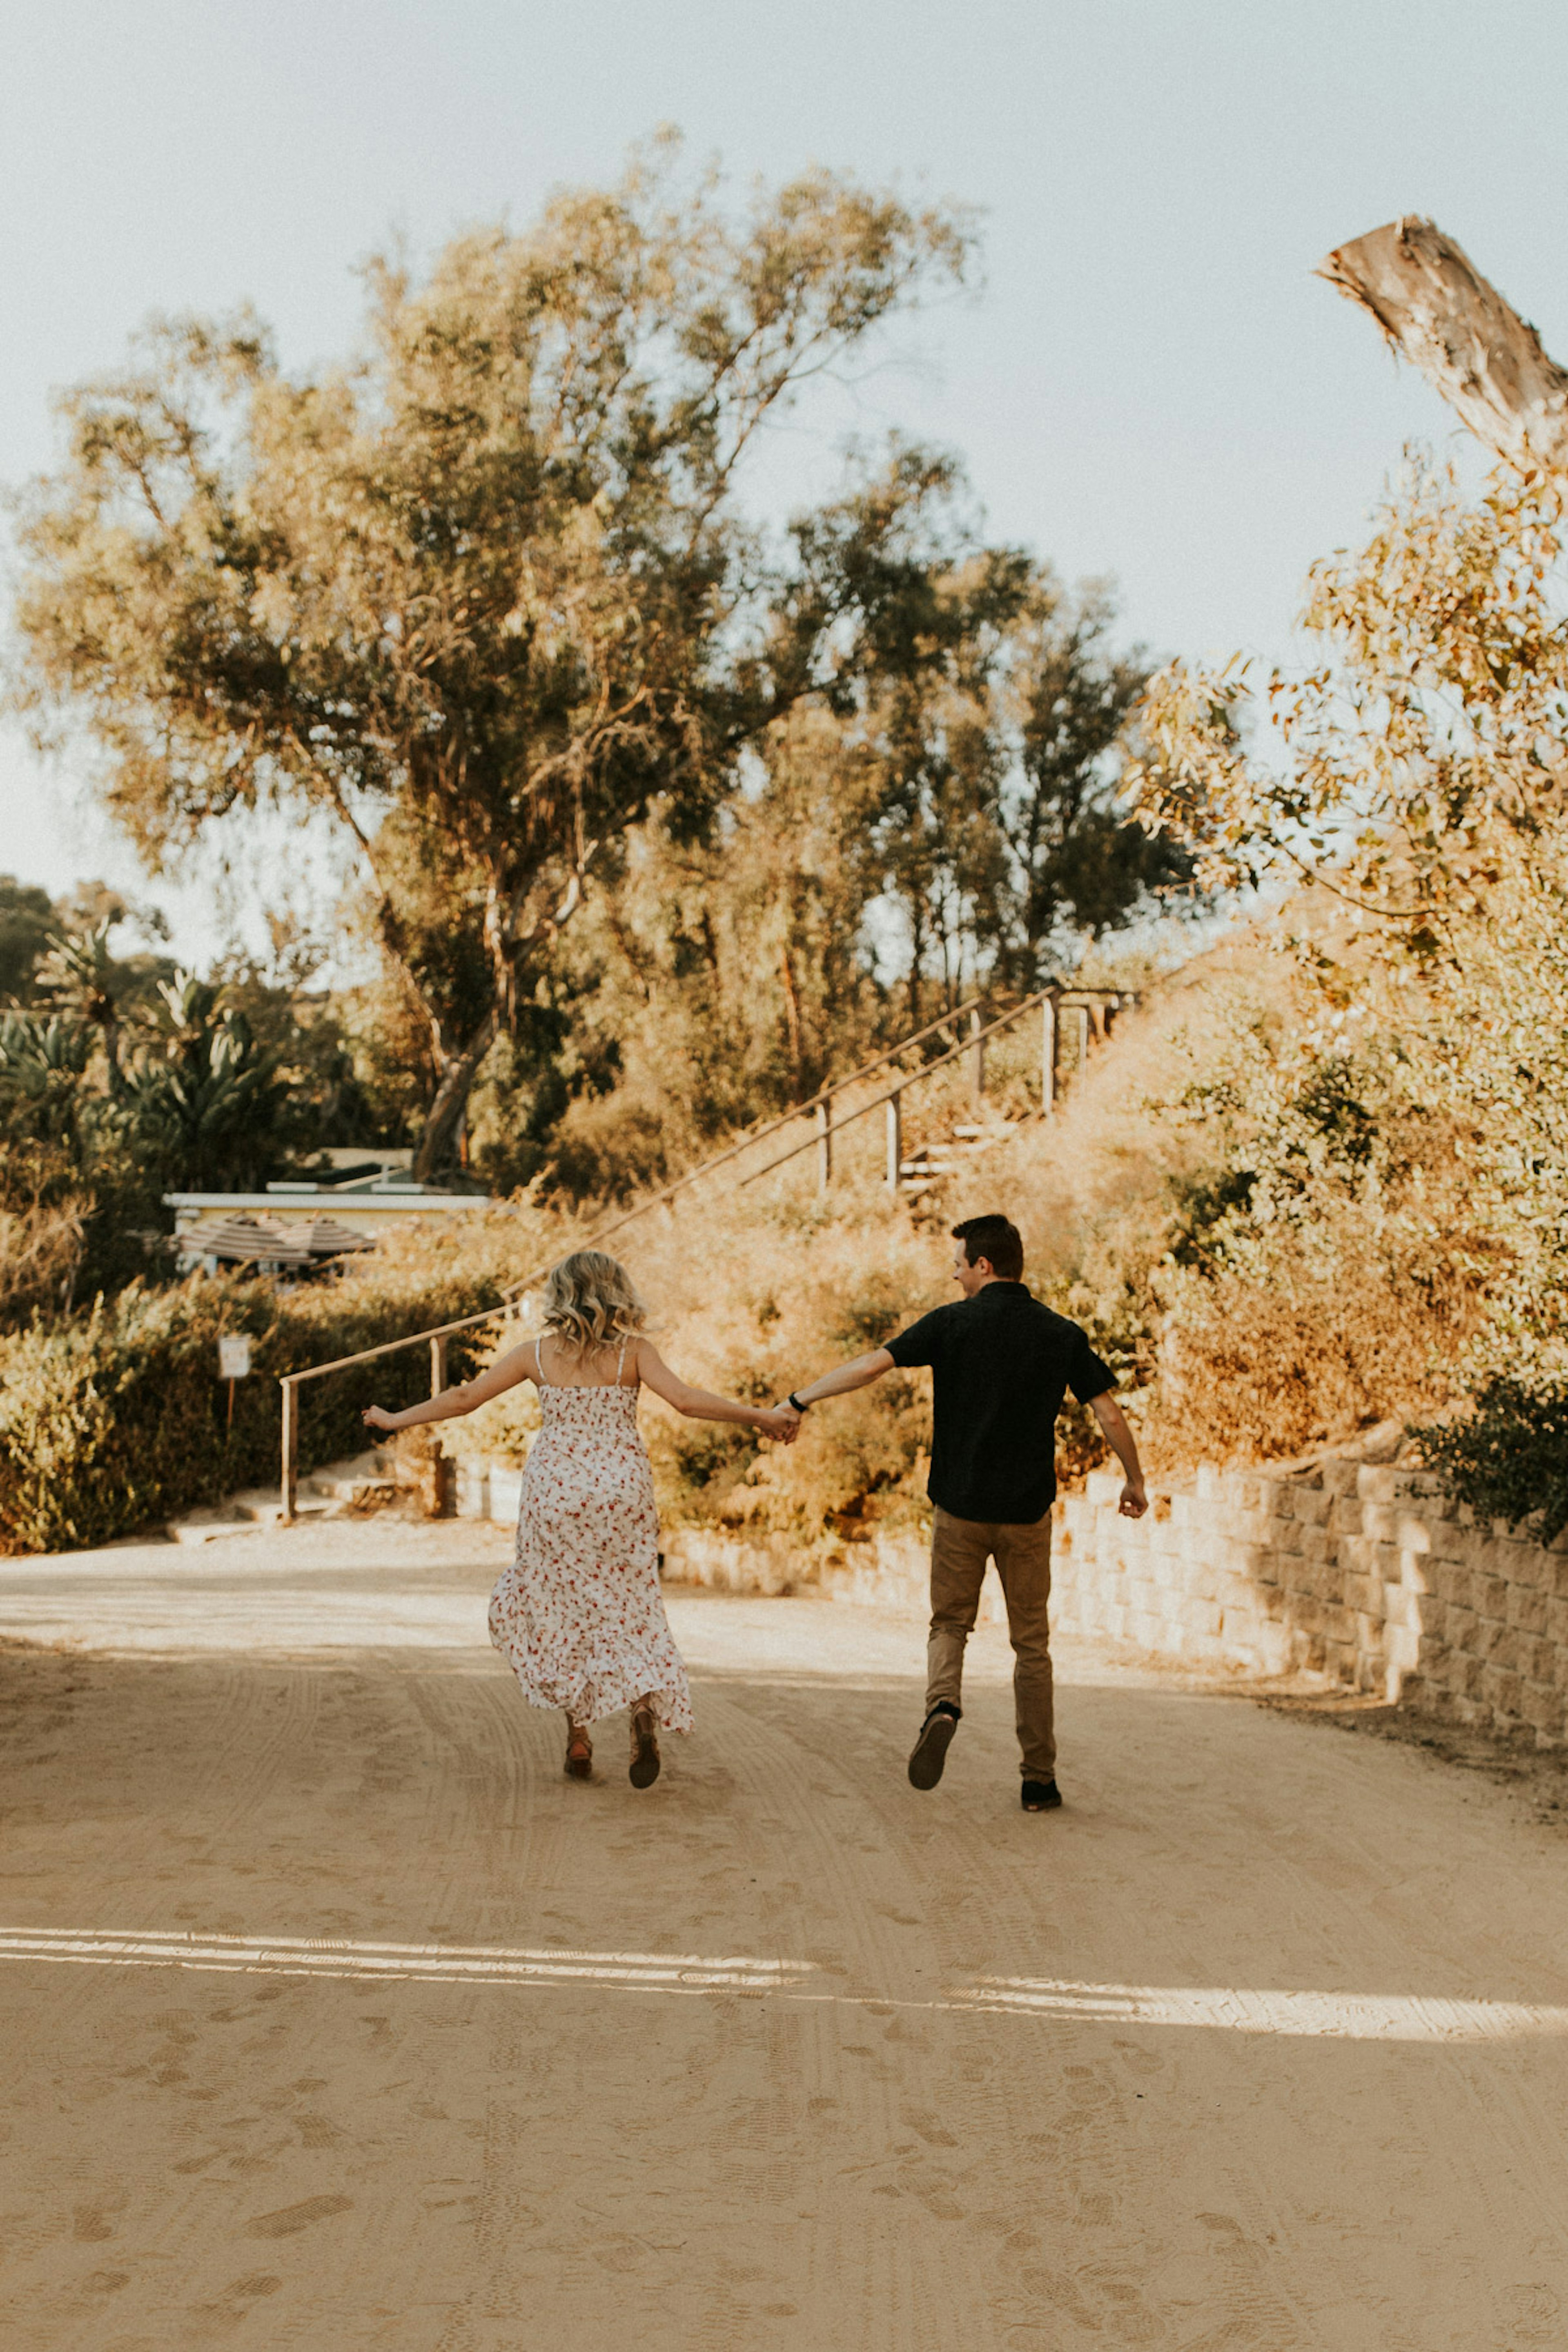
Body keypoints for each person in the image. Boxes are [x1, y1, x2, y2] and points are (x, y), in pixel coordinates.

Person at [363, 1250, 797, 1788]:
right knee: (631, 1606)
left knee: (562, 1609)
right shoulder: (633, 1354)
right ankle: (643, 1709)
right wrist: (761, 1417)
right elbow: (686, 1402)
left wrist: (395, 1420)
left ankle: (578, 1734)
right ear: (617, 1293)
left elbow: (466, 1397)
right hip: (622, 1496)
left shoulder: (536, 1355)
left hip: (556, 1498)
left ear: (561, 1296)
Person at [776, 1213, 1147, 1812]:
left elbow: (871, 1366)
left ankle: (943, 1705)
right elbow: (1107, 1412)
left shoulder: (951, 1324)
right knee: (1032, 1646)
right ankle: (1039, 1780)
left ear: (983, 1265)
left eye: (958, 1265)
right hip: (1026, 1514)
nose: (954, 1276)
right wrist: (1134, 1478)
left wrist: (800, 1399)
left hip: (960, 1510)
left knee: (950, 1625)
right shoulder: (1060, 1333)